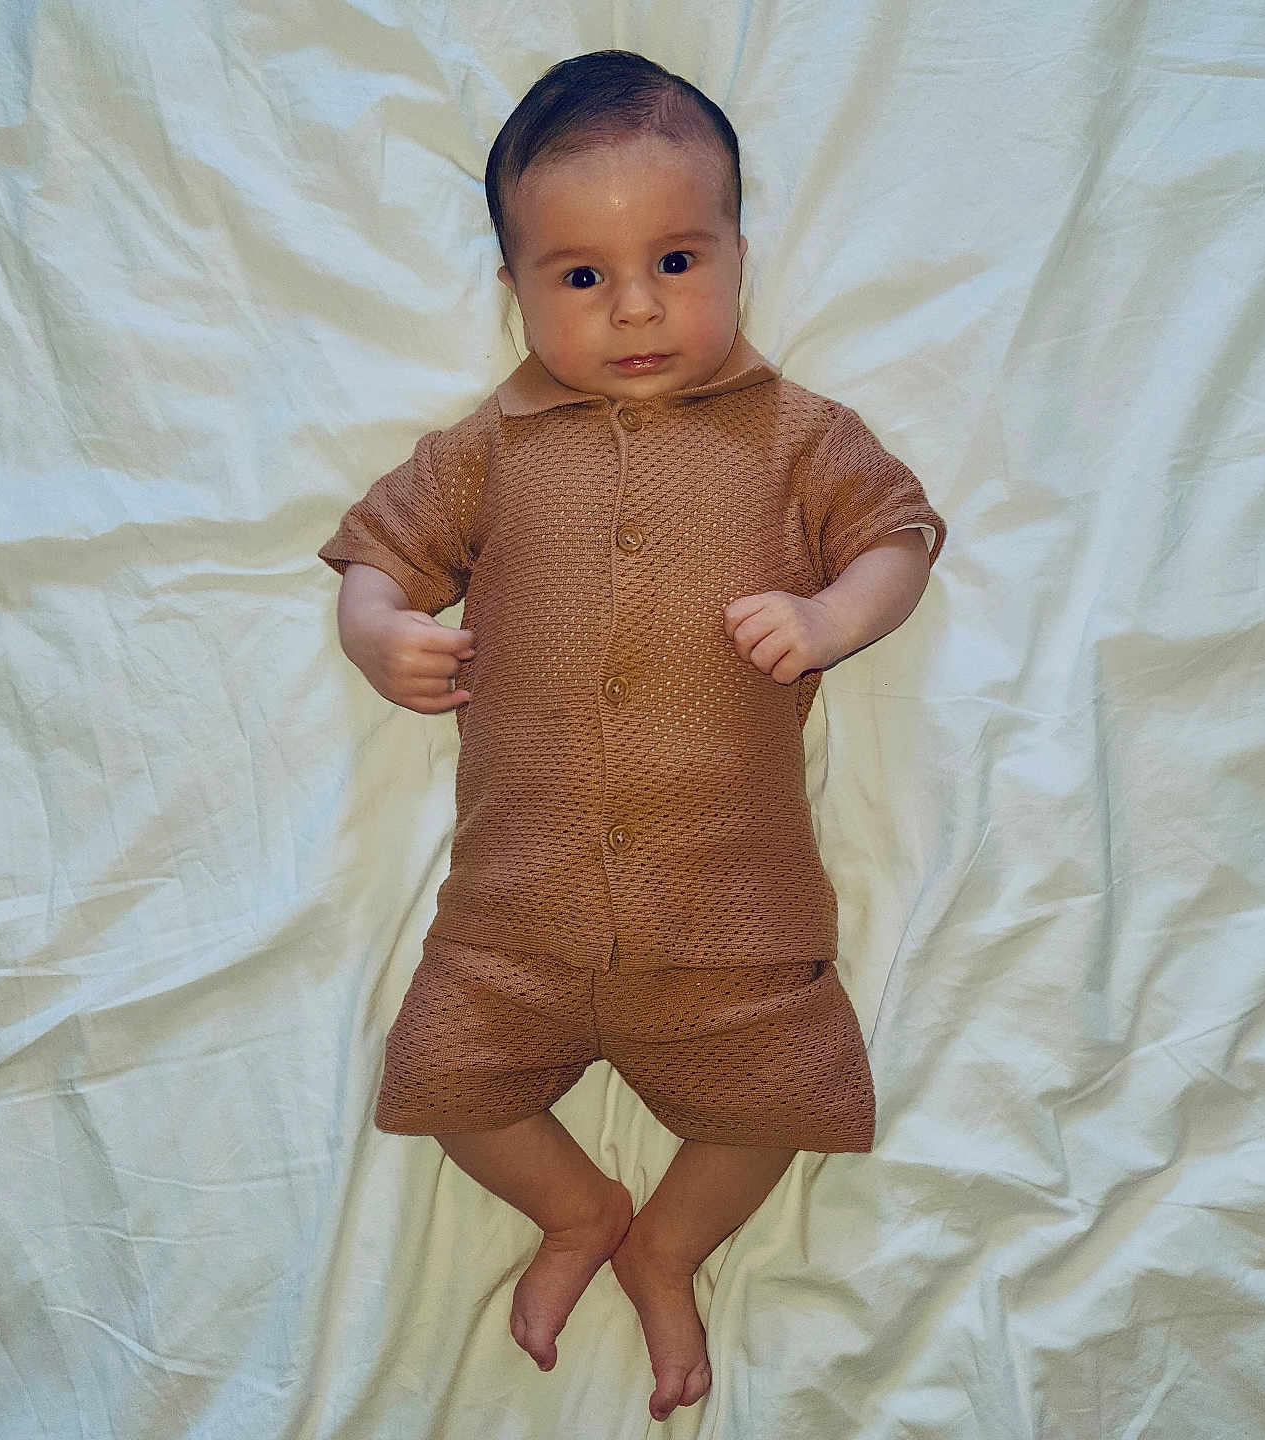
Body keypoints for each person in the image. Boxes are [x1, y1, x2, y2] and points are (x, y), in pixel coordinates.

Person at [319, 50, 946, 1424]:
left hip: (729, 917)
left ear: (737, 250)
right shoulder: (492, 448)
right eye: (583, 276)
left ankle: (669, 1240)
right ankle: (577, 1208)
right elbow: (376, 557)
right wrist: (380, 634)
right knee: (434, 1082)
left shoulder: (795, 436)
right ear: (516, 289)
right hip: (513, 923)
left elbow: (899, 536)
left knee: (783, 1099)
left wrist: (834, 615)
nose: (640, 306)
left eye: (676, 256)